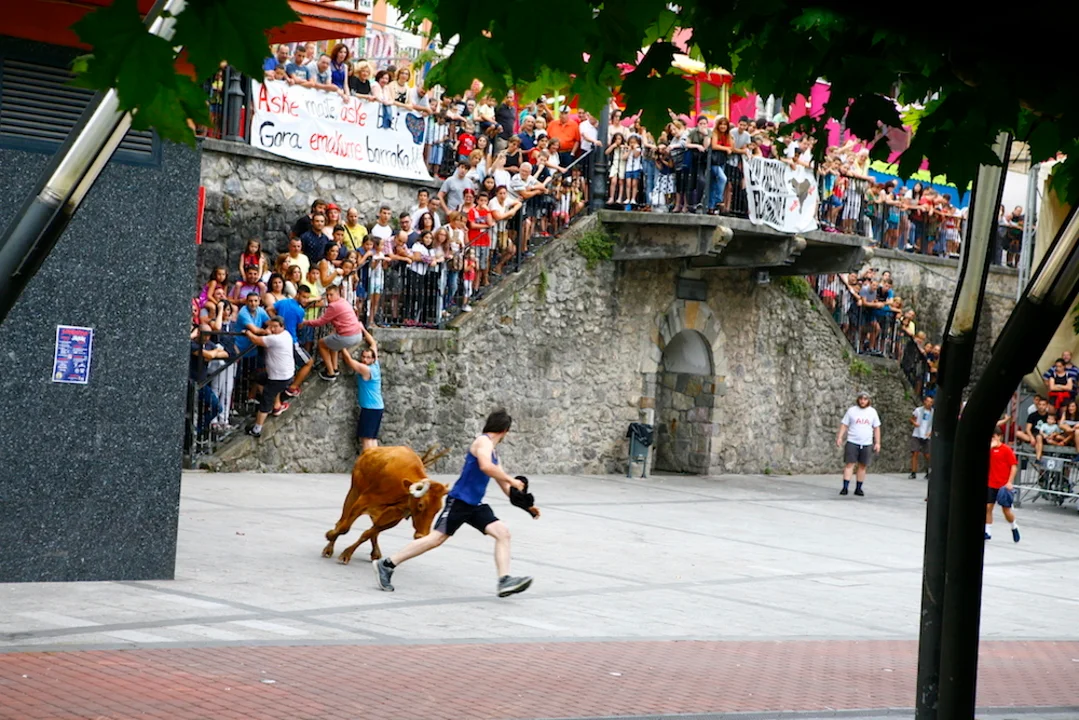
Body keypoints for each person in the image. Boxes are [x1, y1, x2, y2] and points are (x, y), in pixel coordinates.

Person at [373, 409, 534, 597]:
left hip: (475, 505)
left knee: (503, 533)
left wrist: (527, 506)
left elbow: (505, 485)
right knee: (436, 539)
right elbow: (485, 466)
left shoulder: (494, 454)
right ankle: (387, 564)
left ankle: (504, 580)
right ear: (505, 430)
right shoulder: (483, 442)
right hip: (459, 501)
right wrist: (512, 480)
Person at [299, 283, 365, 380]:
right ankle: (335, 368)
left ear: (338, 294)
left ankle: (330, 373)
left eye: (331, 295)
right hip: (358, 335)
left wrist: (305, 322)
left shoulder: (333, 306)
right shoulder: (344, 301)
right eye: (327, 295)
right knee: (332, 342)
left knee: (321, 343)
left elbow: (320, 322)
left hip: (348, 336)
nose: (329, 297)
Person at [244, 317, 295, 438]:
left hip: (279, 377)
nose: (272, 329)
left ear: (282, 327)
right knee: (259, 378)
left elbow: (256, 340)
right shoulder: (286, 335)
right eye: (271, 326)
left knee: (265, 400)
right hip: (283, 374)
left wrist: (247, 332)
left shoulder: (275, 339)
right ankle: (275, 405)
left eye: (275, 327)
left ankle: (257, 429)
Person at [340, 328, 382, 451]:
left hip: (370, 408)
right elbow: (373, 343)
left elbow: (349, 360)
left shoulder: (366, 369)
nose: (365, 360)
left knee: (366, 439)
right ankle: (376, 461)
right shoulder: (375, 365)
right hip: (376, 407)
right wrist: (362, 329)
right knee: (372, 438)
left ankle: (368, 461)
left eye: (368, 358)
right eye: (363, 357)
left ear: (373, 359)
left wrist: (341, 345)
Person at [836, 391, 881, 496]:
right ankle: (845, 487)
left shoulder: (872, 412)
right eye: (861, 399)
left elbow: (876, 428)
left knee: (862, 466)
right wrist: (840, 437)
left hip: (866, 443)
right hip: (853, 441)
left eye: (865, 399)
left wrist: (877, 442)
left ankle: (859, 488)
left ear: (868, 400)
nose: (862, 401)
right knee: (849, 464)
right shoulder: (852, 411)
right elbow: (844, 424)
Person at [986, 426, 1020, 542]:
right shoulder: (990, 449)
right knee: (988, 507)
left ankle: (1014, 526)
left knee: (1006, 510)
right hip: (991, 483)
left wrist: (1009, 482)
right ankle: (987, 530)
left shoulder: (1006, 450)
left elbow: (1013, 466)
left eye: (994, 437)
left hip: (1003, 484)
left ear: (999, 437)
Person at [909, 395, 933, 479]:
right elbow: (911, 419)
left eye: (931, 402)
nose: (929, 403)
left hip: (927, 435)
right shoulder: (918, 410)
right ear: (924, 401)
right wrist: (914, 423)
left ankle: (928, 471)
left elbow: (935, 425)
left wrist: (930, 433)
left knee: (927, 455)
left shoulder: (933, 412)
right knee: (915, 453)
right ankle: (913, 472)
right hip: (917, 434)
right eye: (928, 401)